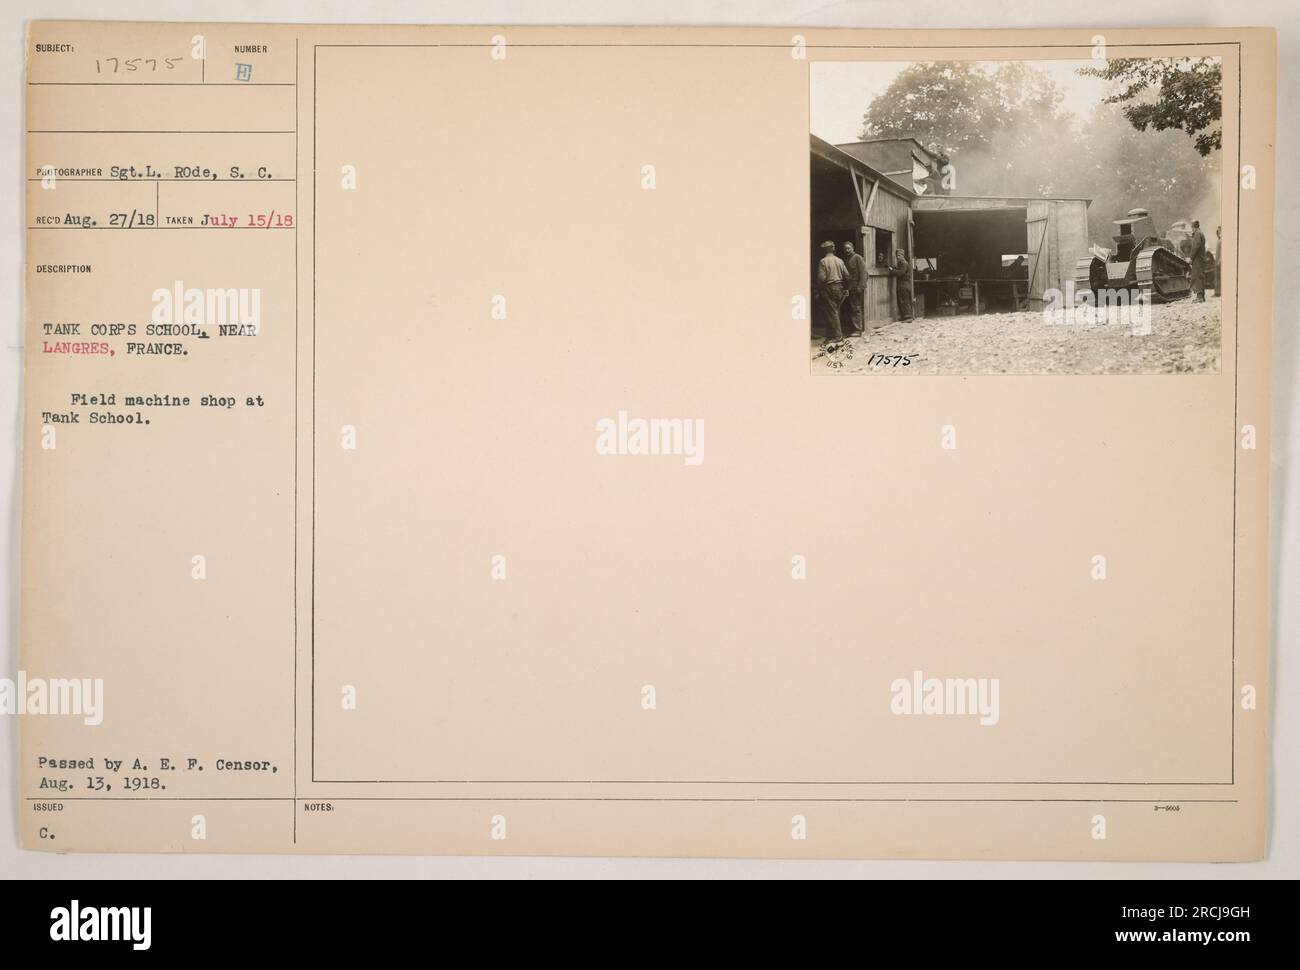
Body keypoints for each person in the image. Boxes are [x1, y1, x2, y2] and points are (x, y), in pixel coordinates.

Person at [816, 241, 849, 343]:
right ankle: (831, 336)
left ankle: (838, 336)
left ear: (825, 250)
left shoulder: (823, 261)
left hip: (829, 288)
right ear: (833, 249)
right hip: (840, 287)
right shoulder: (840, 261)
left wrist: (819, 289)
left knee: (832, 312)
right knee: (835, 312)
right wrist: (845, 288)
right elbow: (847, 275)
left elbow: (822, 278)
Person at [841, 241, 869, 335]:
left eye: (849, 248)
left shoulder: (857, 258)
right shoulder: (846, 259)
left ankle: (858, 330)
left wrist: (861, 287)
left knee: (856, 308)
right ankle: (852, 329)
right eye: (845, 248)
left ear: (853, 248)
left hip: (856, 287)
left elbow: (864, 273)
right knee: (849, 309)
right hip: (849, 288)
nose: (847, 250)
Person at [889, 248, 913, 321]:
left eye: (899, 255)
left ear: (902, 255)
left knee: (904, 301)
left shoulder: (903, 263)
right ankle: (905, 316)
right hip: (903, 284)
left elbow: (900, 273)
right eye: (897, 256)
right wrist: (894, 268)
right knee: (902, 300)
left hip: (904, 285)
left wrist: (892, 270)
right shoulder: (902, 263)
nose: (897, 257)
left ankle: (908, 317)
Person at [1188, 219, 1208, 302]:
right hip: (1201, 258)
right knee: (1201, 276)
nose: (1191, 229)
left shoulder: (1197, 234)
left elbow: (1196, 246)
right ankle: (1202, 296)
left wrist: (1191, 257)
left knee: (1197, 276)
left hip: (1198, 259)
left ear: (1193, 227)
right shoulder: (1200, 233)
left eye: (1191, 227)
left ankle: (1199, 297)